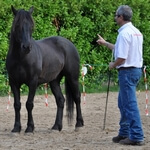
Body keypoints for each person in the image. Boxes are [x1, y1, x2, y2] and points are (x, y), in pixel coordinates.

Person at [97, 5, 144, 146]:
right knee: (123, 103)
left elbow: (122, 57)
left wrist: (113, 64)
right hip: (135, 70)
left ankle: (136, 135)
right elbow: (120, 49)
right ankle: (124, 132)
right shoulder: (136, 32)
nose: (115, 17)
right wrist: (106, 44)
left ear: (121, 17)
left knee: (129, 104)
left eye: (116, 15)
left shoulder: (123, 34)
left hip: (127, 71)